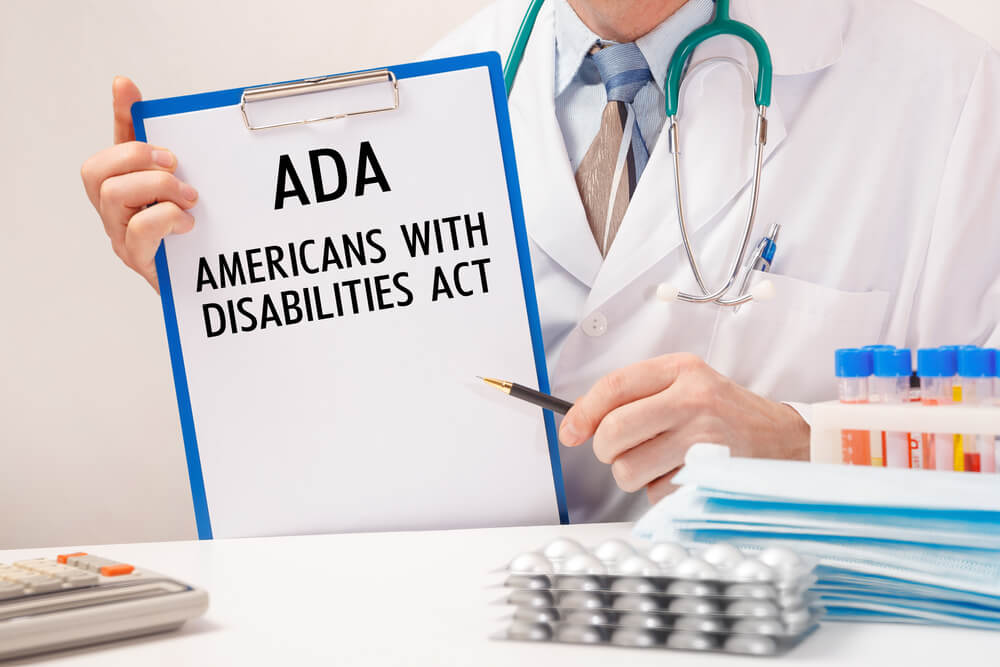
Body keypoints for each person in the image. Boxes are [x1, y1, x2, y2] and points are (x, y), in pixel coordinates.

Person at [80, 0, 1000, 523]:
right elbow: (369, 453)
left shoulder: (947, 91)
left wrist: (796, 439)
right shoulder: (424, 97)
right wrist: (227, 285)